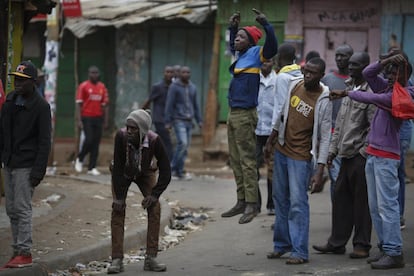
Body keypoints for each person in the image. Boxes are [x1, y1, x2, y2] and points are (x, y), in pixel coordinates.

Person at [330, 53, 413, 269]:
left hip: (387, 157)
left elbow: (371, 98)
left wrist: (347, 92)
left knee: (388, 206)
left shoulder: (403, 95)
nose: (392, 77)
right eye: (390, 73)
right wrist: (385, 61)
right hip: (373, 154)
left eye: (397, 73)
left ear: (406, 76)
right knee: (375, 207)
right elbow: (368, 73)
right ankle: (385, 248)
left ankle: (394, 252)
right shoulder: (386, 87)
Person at [265, 57, 332, 264]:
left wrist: (320, 169)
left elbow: (325, 135)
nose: (307, 75)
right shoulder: (296, 84)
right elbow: (283, 113)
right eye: (305, 70)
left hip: (301, 157)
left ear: (321, 75)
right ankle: (281, 245)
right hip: (282, 150)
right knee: (280, 199)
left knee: (298, 203)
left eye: (312, 72)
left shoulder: (324, 97)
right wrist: (271, 138)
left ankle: (300, 251)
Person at [313, 52, 375, 259]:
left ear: (366, 68)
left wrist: (363, 153)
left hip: (359, 156)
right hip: (344, 154)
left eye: (355, 65)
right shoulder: (348, 89)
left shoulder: (370, 92)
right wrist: (332, 151)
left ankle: (362, 245)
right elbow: (338, 124)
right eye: (350, 64)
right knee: (340, 199)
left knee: (361, 203)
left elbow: (373, 127)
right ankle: (337, 243)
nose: (350, 68)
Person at [221, 8, 278, 224]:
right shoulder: (240, 55)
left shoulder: (257, 55)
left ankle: (253, 204)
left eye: (242, 36)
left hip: (245, 114)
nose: (237, 39)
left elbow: (272, 47)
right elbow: (231, 44)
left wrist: (266, 24)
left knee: (247, 161)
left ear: (251, 42)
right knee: (235, 160)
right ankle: (241, 200)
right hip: (233, 113)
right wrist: (233, 27)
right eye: (237, 36)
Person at [0, 61, 51, 268]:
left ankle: (25, 251)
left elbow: (44, 141)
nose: (17, 84)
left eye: (22, 80)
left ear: (33, 82)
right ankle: (16, 250)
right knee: (11, 208)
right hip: (10, 162)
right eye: (15, 79)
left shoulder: (41, 107)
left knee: (22, 208)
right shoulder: (11, 100)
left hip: (26, 165)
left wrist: (38, 171)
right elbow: (3, 131)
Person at [108, 109, 171, 273]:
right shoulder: (120, 136)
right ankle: (116, 259)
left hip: (145, 172)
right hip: (123, 171)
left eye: (133, 128)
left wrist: (154, 195)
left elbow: (166, 171)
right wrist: (120, 197)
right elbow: (117, 169)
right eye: (127, 127)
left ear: (142, 130)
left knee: (155, 207)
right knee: (117, 209)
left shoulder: (155, 140)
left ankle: (151, 258)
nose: (129, 131)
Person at [321, 44, 353, 198]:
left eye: (343, 55)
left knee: (350, 179)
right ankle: (339, 216)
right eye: (337, 55)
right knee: (336, 177)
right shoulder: (327, 79)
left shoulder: (356, 81)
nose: (339, 58)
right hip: (331, 136)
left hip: (352, 137)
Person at [164, 66, 202, 180]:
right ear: (179, 74)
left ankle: (179, 172)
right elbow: (169, 104)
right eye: (183, 72)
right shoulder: (174, 87)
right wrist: (167, 121)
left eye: (188, 72)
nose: (186, 74)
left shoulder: (193, 87)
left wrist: (199, 120)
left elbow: (195, 106)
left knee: (185, 148)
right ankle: (171, 168)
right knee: (183, 143)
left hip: (189, 121)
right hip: (178, 119)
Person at [74, 66, 109, 175]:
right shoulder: (83, 86)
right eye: (92, 73)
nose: (94, 75)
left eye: (96, 73)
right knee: (89, 139)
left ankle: (92, 167)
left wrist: (106, 120)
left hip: (98, 117)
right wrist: (79, 120)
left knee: (96, 143)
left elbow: (105, 105)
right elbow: (79, 104)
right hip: (86, 117)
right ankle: (80, 158)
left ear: (99, 74)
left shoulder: (102, 87)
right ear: (89, 74)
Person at [255, 58, 277, 215]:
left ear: (273, 63)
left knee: (273, 170)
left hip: (272, 131)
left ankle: (272, 204)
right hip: (255, 131)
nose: (265, 63)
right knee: (252, 168)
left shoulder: (278, 81)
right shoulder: (253, 79)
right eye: (262, 60)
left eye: (268, 61)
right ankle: (255, 204)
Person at [142, 65, 174, 161]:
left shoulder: (174, 87)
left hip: (170, 119)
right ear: (163, 73)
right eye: (167, 72)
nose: (169, 74)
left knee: (160, 141)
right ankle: (169, 164)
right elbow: (149, 100)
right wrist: (142, 112)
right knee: (167, 143)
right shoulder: (158, 87)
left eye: (171, 72)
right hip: (160, 118)